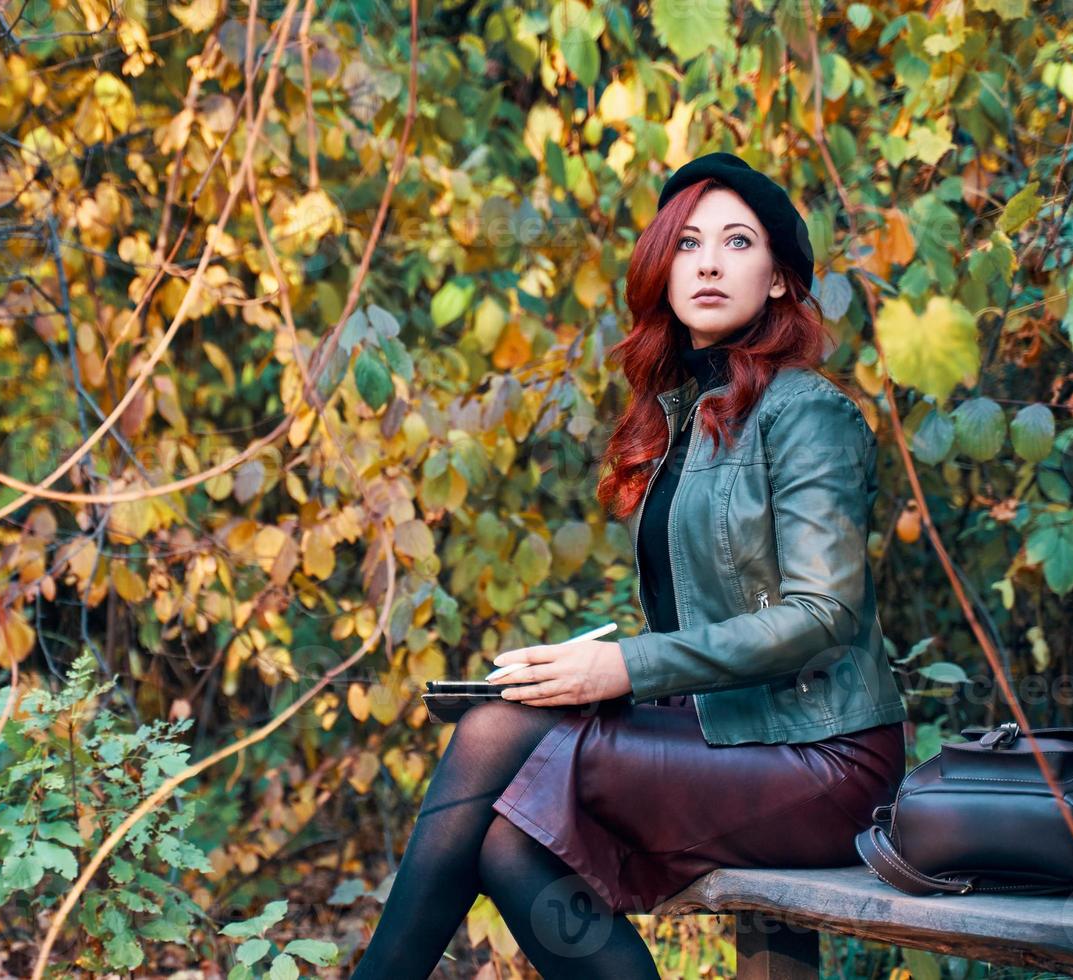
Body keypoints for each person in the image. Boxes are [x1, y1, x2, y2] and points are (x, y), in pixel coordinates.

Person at [349, 152, 910, 977]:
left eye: (736, 242)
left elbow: (822, 615)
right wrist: (597, 667)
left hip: (824, 757)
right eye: (686, 244)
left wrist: (620, 667)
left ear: (782, 281)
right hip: (731, 736)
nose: (709, 263)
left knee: (500, 725)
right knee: (506, 843)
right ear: (662, 267)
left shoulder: (810, 414)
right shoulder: (681, 416)